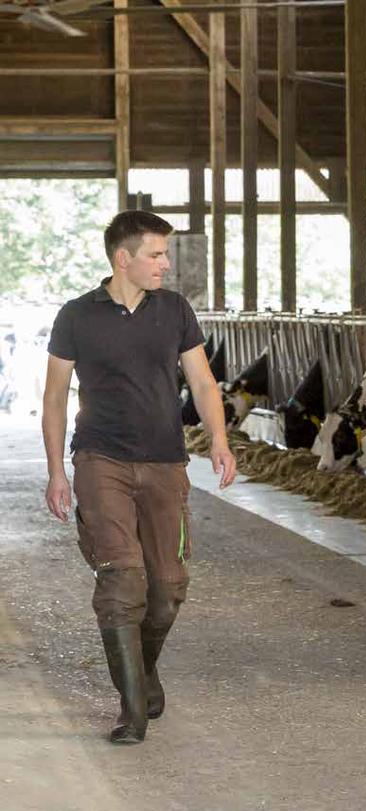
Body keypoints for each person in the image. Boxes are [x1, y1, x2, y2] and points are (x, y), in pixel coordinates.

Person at [42, 210, 237, 744]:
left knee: (168, 587)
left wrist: (219, 440)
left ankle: (143, 668)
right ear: (122, 258)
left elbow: (202, 381)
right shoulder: (77, 316)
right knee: (123, 580)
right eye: (155, 254)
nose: (165, 264)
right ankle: (131, 709)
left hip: (165, 461)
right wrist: (57, 471)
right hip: (100, 459)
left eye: (164, 254)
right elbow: (55, 397)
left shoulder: (174, 311)